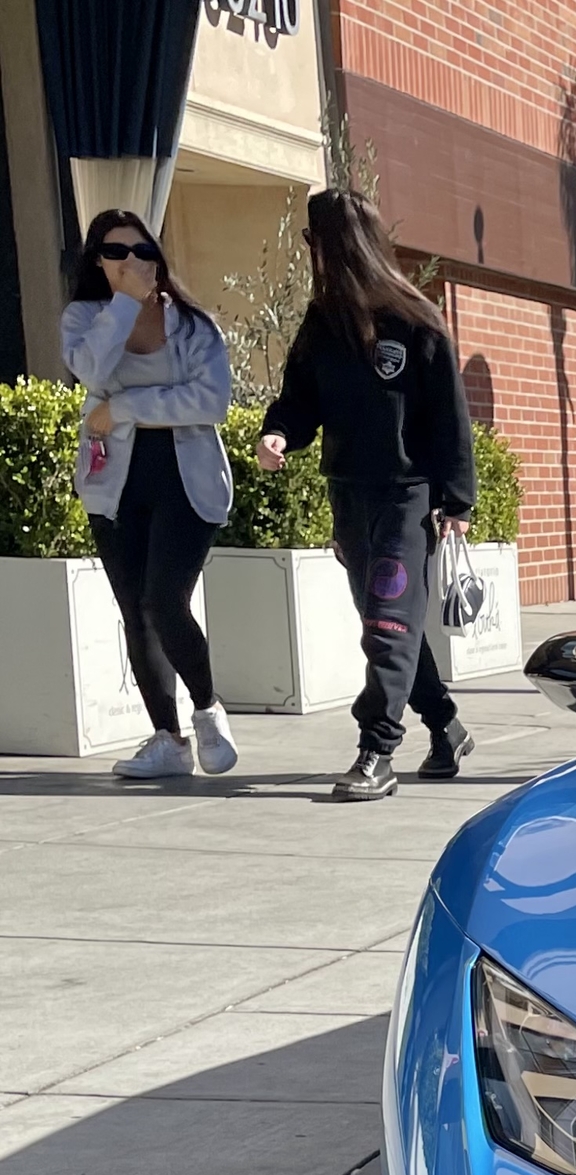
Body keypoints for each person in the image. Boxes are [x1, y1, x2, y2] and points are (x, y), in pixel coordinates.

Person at [257, 189, 475, 802]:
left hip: (407, 497)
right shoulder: (322, 324)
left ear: (331, 245)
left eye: (311, 242)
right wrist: (278, 433)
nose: (309, 254)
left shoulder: (416, 321)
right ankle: (447, 727)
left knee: (387, 623)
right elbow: (300, 398)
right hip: (349, 494)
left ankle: (376, 749)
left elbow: (449, 418)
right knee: (389, 624)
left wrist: (455, 502)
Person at [59, 211, 239, 780]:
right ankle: (167, 738)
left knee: (166, 601)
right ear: (97, 261)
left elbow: (211, 401)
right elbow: (90, 371)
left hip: (186, 478)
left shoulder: (193, 324)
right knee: (135, 611)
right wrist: (125, 305)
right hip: (115, 481)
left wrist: (129, 407)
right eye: (116, 252)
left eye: (142, 250)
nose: (132, 260)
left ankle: (208, 710)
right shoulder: (85, 319)